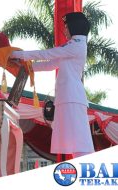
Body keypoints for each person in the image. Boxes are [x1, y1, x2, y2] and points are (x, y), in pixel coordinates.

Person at [9, 12, 94, 158]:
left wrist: (18, 55)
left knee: (80, 141)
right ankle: (82, 170)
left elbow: (47, 54)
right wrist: (26, 68)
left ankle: (86, 170)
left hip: (72, 97)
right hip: (67, 98)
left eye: (67, 27)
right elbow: (51, 64)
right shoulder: (72, 45)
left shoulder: (77, 45)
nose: (65, 30)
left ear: (75, 27)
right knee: (75, 141)